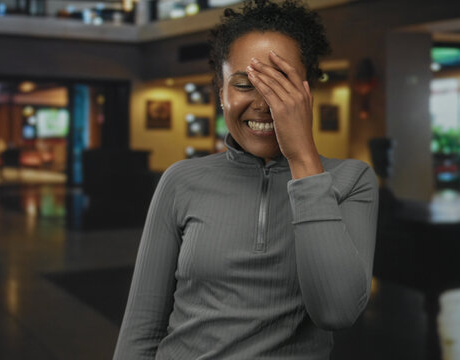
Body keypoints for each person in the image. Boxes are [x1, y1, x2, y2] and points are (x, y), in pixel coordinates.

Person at [113, 0, 379, 358]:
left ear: (307, 92)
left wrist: (302, 159)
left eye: (279, 83)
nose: (263, 102)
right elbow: (141, 330)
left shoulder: (352, 180)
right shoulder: (181, 181)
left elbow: (337, 311)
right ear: (221, 94)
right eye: (244, 84)